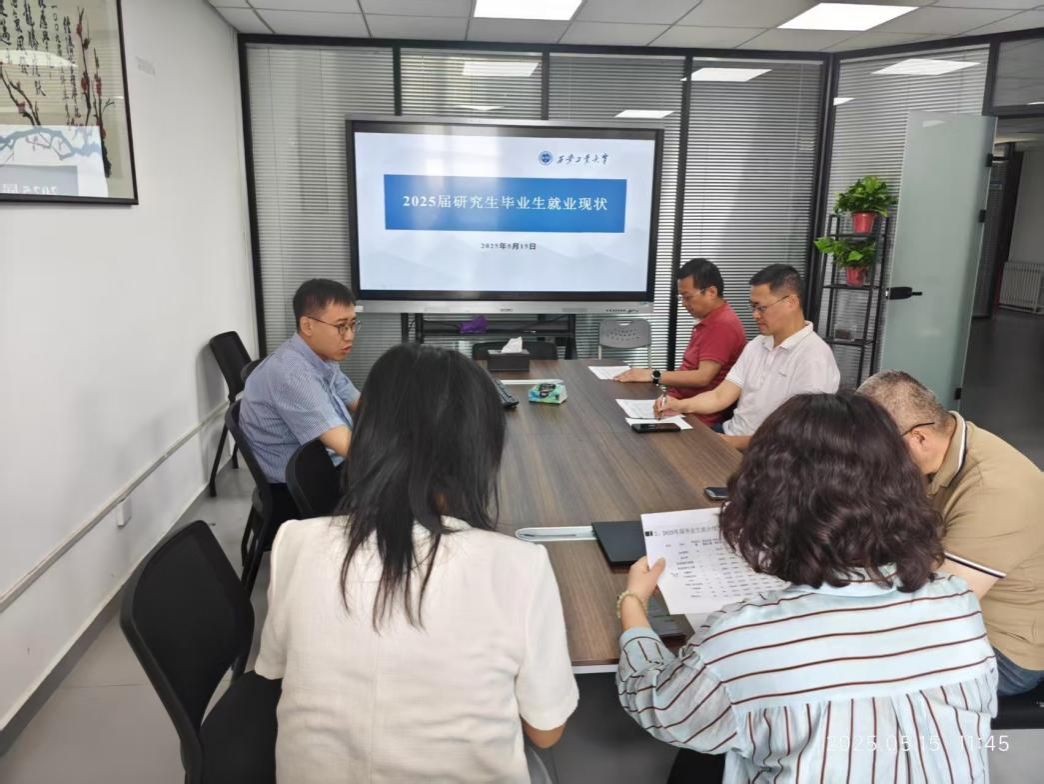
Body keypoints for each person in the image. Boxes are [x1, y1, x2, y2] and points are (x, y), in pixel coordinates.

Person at [617, 392, 996, 783]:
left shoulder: (746, 638)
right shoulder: (957, 604)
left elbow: (662, 708)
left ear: (768, 498)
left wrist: (633, 604)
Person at [255, 343, 578, 783]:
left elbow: (274, 668)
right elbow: (545, 730)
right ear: (480, 448)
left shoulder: (295, 542)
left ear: (368, 433)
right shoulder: (521, 566)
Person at [859, 369, 1044, 697]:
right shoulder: (938, 458)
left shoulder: (994, 490)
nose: (870, 462)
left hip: (1000, 647)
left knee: (850, 673)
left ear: (918, 438)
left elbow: (939, 609)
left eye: (875, 451)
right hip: (949, 606)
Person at [654, 264, 839, 450]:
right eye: (753, 307)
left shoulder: (814, 357)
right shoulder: (757, 345)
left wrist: (728, 443)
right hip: (730, 434)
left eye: (761, 308)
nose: (755, 315)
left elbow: (800, 435)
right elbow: (720, 396)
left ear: (791, 302)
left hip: (769, 452)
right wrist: (679, 405)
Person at [240, 278, 361, 484]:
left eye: (352, 325)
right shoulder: (293, 375)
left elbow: (358, 401)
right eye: (341, 326)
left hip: (326, 461)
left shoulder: (322, 357)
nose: (349, 336)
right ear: (307, 326)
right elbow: (348, 448)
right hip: (305, 485)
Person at [614, 258, 745, 428]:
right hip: (677, 405)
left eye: (688, 297)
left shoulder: (722, 325)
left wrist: (653, 375)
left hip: (695, 417)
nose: (684, 304)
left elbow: (702, 377)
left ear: (711, 292)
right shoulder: (710, 319)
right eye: (681, 297)